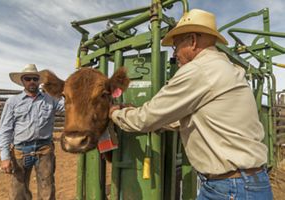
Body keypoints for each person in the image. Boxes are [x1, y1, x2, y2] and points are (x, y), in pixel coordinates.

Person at [109, 9, 273, 199]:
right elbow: (196, 120)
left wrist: (114, 113)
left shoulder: (199, 70)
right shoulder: (225, 68)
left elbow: (146, 119)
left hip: (231, 188)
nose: (175, 53)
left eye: (176, 45)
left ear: (192, 41)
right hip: (245, 182)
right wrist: (140, 113)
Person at [0, 64, 64, 200]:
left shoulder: (51, 99)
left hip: (44, 149)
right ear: (23, 81)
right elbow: (5, 129)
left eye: (35, 78)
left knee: (47, 188)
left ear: (39, 81)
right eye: (28, 79)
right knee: (18, 191)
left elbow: (70, 106)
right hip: (21, 151)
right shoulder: (13, 102)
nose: (32, 81)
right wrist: (5, 157)